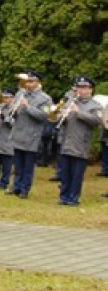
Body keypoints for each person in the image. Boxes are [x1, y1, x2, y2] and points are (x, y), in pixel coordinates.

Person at [5, 70, 52, 199]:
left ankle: (25, 189)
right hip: (18, 133)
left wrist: (27, 107)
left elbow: (43, 116)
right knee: (18, 164)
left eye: (31, 82)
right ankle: (16, 186)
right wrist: (13, 110)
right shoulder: (20, 94)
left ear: (38, 83)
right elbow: (12, 110)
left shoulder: (45, 98)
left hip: (31, 135)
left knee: (28, 165)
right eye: (27, 81)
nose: (28, 84)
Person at [57, 76, 102, 205]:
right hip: (67, 142)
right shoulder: (71, 101)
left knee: (76, 174)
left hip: (81, 143)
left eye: (84, 88)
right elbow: (60, 118)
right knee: (65, 173)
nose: (81, 91)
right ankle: (63, 196)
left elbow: (96, 121)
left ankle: (73, 198)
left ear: (90, 90)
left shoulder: (95, 105)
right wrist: (61, 115)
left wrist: (78, 112)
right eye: (79, 88)